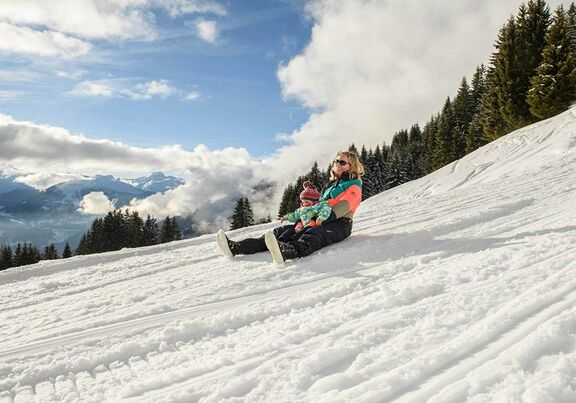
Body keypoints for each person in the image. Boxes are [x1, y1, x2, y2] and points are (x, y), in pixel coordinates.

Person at [216, 151, 364, 263]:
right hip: (319, 218)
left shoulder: (354, 185)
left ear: (351, 167)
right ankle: (237, 247)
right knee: (283, 231)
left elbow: (344, 205)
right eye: (337, 161)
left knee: (315, 234)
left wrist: (321, 219)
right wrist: (304, 218)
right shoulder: (332, 184)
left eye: (342, 162)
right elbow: (318, 205)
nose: (338, 164)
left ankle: (289, 251)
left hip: (339, 223)